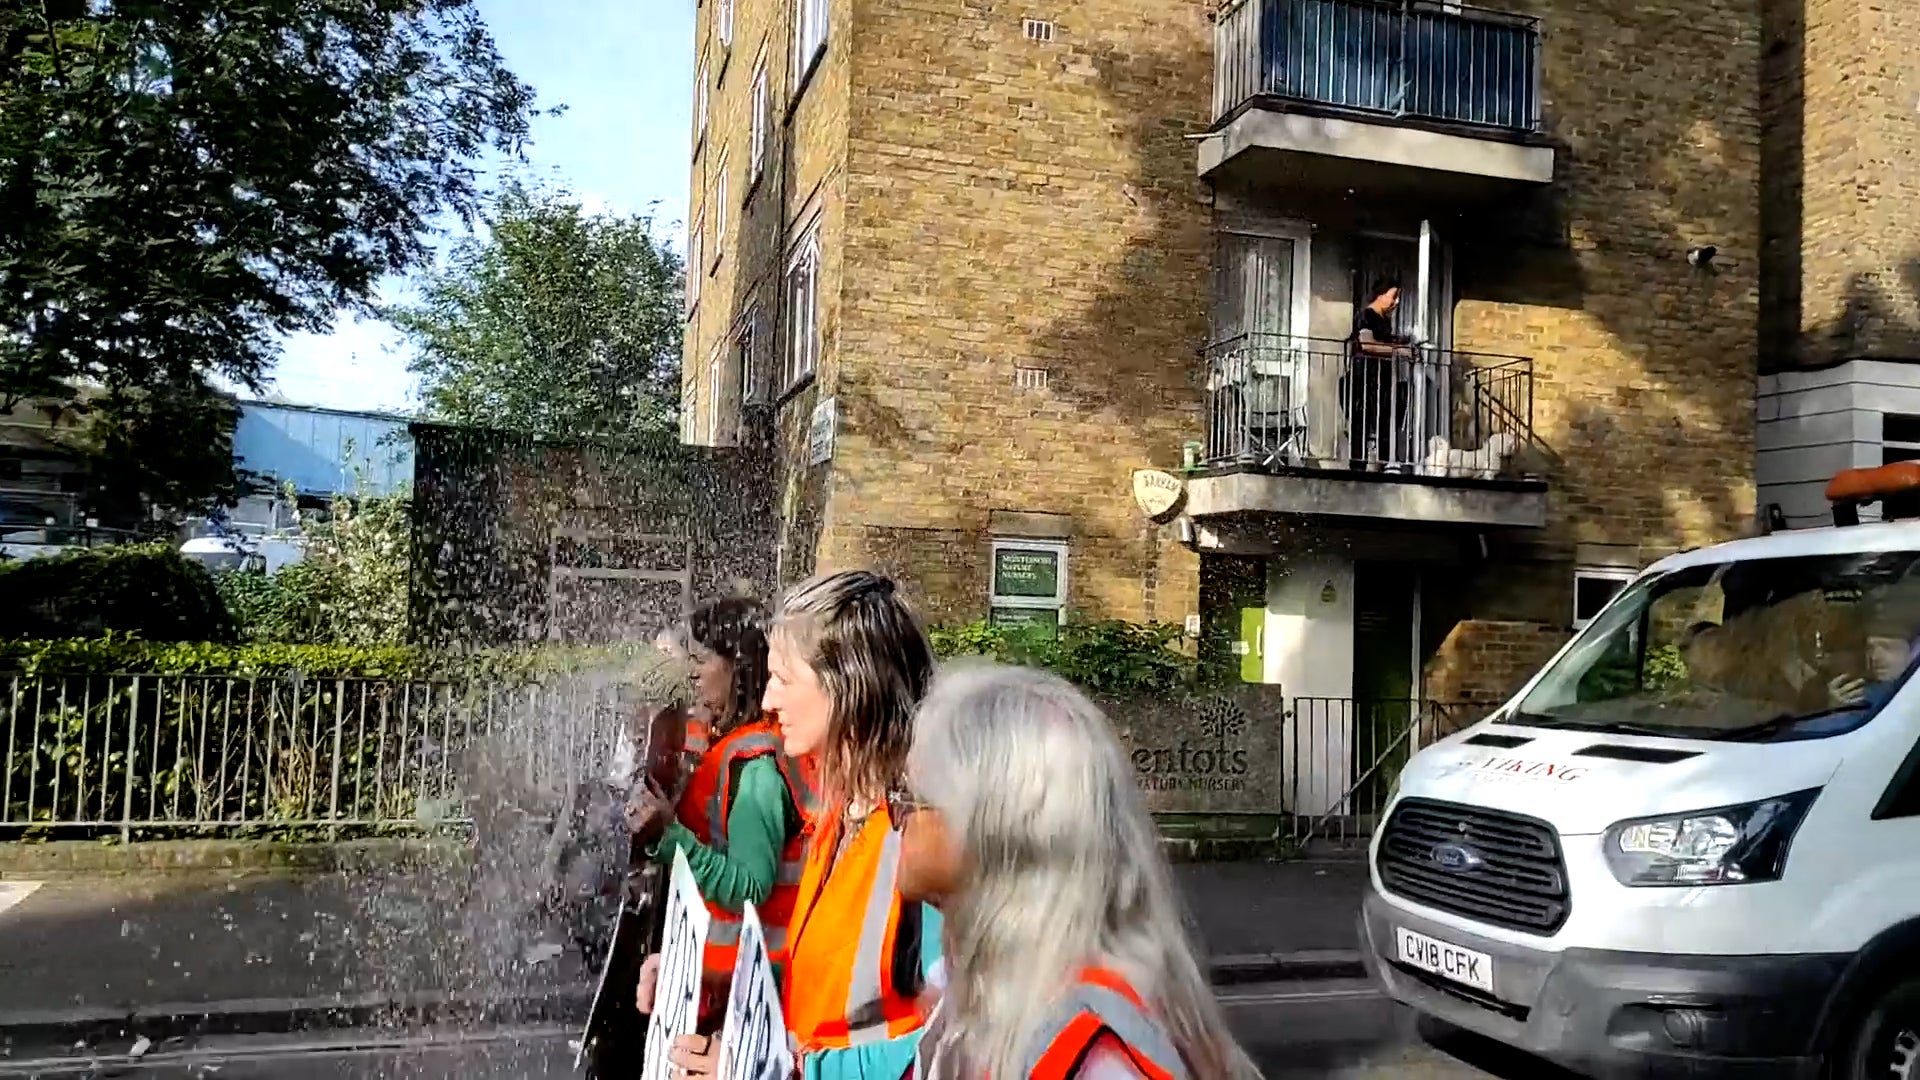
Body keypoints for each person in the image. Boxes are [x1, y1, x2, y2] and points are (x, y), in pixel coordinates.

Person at [645, 571, 944, 1080]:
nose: (766, 701)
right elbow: (824, 987)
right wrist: (701, 982)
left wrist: (778, 1070)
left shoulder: (926, 837)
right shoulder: (843, 818)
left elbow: (950, 1041)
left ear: (848, 686)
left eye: (784, 678)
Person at [900, 663, 1258, 1080]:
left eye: (913, 796)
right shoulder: (996, 991)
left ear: (994, 826)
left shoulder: (1094, 1052)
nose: (897, 815)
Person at [626, 598, 814, 990]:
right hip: (728, 984)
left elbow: (749, 888)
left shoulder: (756, 769)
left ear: (738, 667)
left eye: (701, 660)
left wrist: (671, 838)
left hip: (748, 993)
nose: (691, 675)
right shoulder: (736, 749)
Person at [1345, 278, 1413, 471]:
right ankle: (1357, 468)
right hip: (1364, 378)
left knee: (1384, 421)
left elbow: (1384, 342)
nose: (1397, 302)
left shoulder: (1384, 320)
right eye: (1394, 297)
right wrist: (1399, 351)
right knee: (1362, 424)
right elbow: (1368, 344)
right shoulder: (1366, 316)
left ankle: (1385, 464)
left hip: (1381, 380)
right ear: (1380, 295)